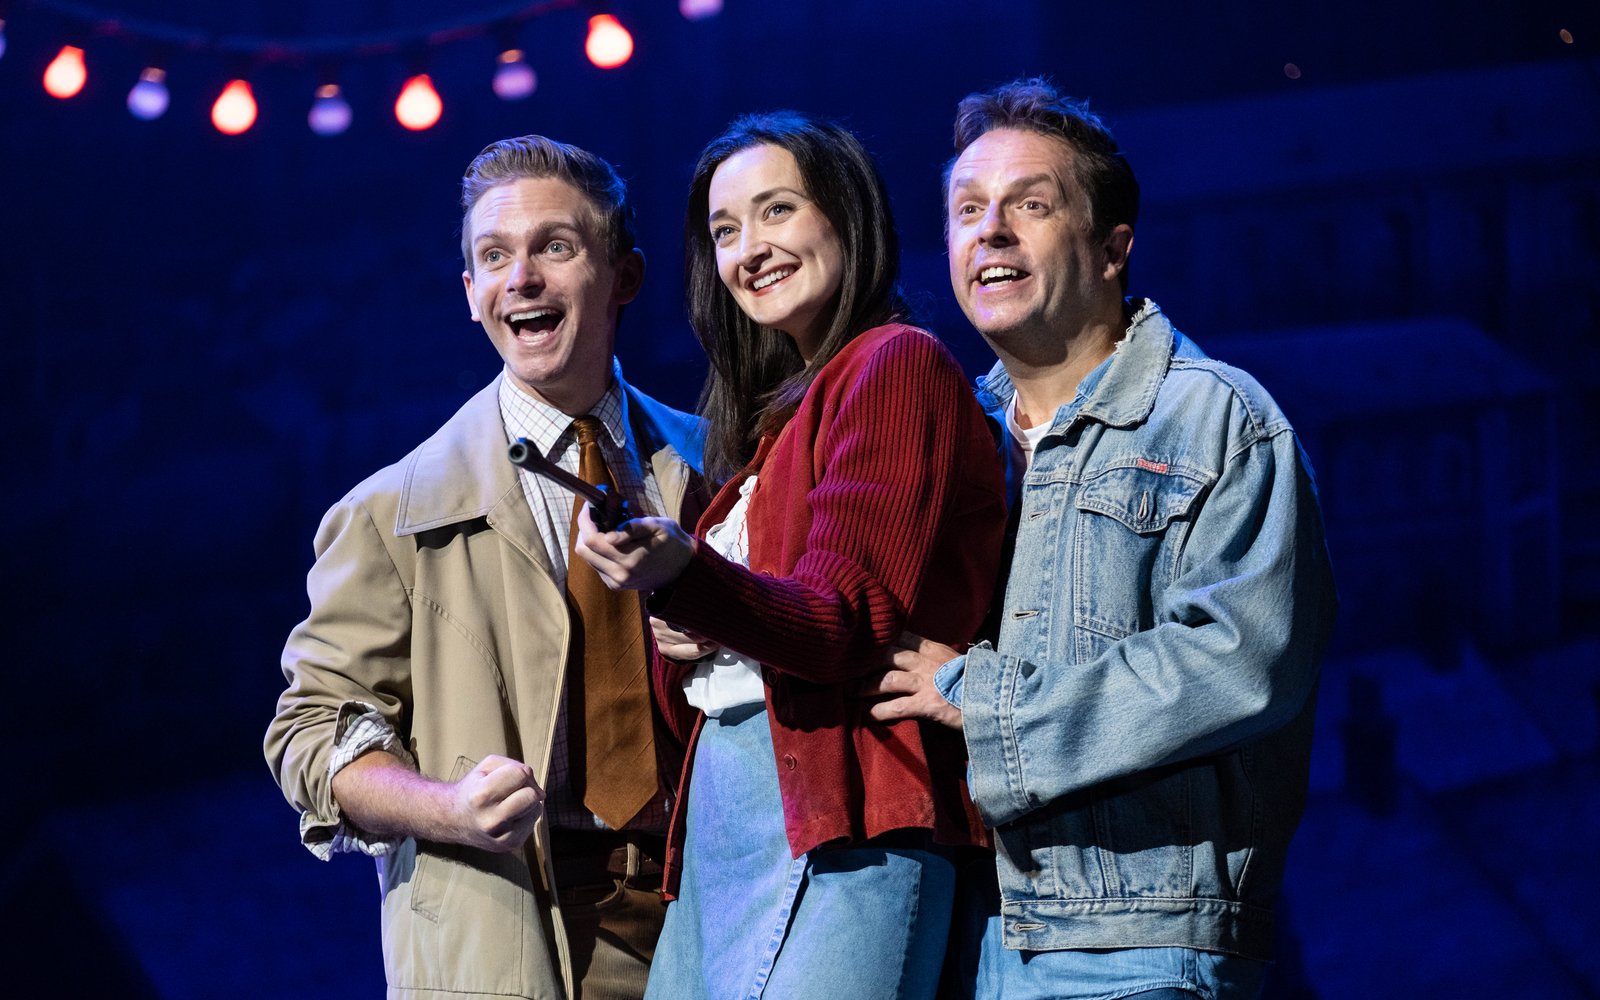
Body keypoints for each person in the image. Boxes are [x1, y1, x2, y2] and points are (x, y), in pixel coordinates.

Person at [866, 78, 1339, 1000]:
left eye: (1030, 205)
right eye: (969, 210)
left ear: (1113, 248)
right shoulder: (942, 435)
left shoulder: (1217, 419)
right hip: (955, 934)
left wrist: (988, 703)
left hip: (1135, 943)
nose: (989, 231)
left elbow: (1243, 660)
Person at [264, 135, 709, 1000]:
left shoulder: (716, 465)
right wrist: (447, 809)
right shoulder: (391, 513)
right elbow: (309, 734)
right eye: (494, 257)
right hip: (518, 930)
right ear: (471, 296)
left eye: (555, 247)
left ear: (624, 275)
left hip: (715, 915)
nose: (523, 279)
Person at [573, 111, 1007, 999]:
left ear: (845, 215)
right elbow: (739, 653)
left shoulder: (896, 364)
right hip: (736, 814)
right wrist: (685, 622)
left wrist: (688, 579)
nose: (747, 249)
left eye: (776, 211)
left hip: (842, 815)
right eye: (725, 231)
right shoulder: (773, 422)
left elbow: (843, 623)